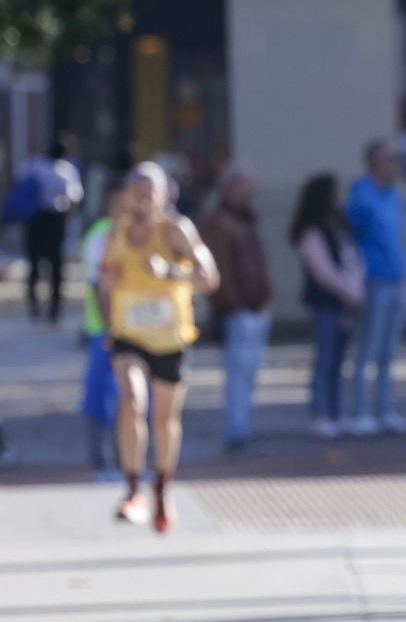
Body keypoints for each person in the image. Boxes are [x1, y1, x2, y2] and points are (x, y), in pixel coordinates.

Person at [98, 162, 219, 532]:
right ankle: (132, 490)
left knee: (165, 419)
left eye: (149, 190)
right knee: (132, 400)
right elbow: (102, 285)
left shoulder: (176, 230)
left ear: (165, 194)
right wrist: (108, 318)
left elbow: (209, 279)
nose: (142, 196)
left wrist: (171, 272)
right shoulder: (116, 231)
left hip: (170, 337)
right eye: (136, 189)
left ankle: (162, 488)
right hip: (129, 335)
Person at [199, 166, 274, 453]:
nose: (248, 194)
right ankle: (236, 430)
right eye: (242, 188)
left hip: (255, 307)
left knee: (251, 372)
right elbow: (218, 271)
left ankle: (244, 426)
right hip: (238, 310)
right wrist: (232, 302)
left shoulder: (245, 221)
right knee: (238, 374)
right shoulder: (218, 223)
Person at [294, 174, 366, 440]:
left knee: (338, 360)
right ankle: (320, 414)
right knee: (325, 358)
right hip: (327, 302)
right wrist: (348, 292)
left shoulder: (340, 225)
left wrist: (356, 291)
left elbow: (353, 259)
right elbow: (323, 271)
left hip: (347, 301)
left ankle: (337, 413)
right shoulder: (313, 230)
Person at [346, 140, 406, 435]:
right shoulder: (361, 195)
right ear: (375, 162)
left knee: (388, 352)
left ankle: (386, 410)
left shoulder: (394, 196)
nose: (396, 165)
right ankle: (360, 411)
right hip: (374, 281)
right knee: (367, 349)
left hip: (396, 278)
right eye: (390, 160)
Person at [79, 183, 126, 477]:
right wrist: (110, 327)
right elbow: (98, 285)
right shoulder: (101, 236)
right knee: (100, 395)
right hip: (104, 331)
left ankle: (127, 454)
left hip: (132, 329)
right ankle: (99, 456)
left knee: (129, 395)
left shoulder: (133, 234)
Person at [22, 134, 85, 325]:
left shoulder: (33, 165)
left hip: (35, 220)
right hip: (55, 220)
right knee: (55, 265)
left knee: (35, 263)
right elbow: (75, 197)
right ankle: (54, 309)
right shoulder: (66, 170)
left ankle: (35, 306)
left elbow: (20, 185)